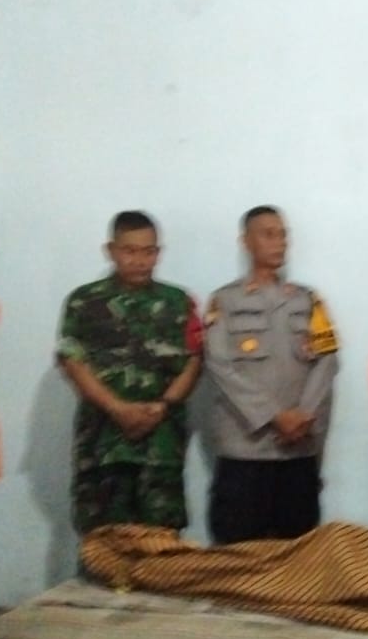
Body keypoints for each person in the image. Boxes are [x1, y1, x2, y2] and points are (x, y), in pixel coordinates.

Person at [57, 211, 202, 534]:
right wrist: (117, 408)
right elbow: (72, 362)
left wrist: (162, 406)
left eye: (148, 252)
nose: (140, 261)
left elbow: (194, 361)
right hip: (103, 444)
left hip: (161, 443)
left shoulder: (179, 302)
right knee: (104, 543)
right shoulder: (85, 302)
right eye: (130, 251)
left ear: (158, 253)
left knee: (162, 545)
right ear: (111, 251)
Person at [204, 205, 338, 543]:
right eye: (268, 234)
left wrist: (302, 416)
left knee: (298, 553)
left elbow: (326, 360)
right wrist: (273, 416)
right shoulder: (224, 301)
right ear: (245, 242)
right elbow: (220, 365)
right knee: (237, 555)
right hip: (245, 451)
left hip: (298, 451)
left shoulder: (309, 300)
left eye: (283, 235)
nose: (279, 242)